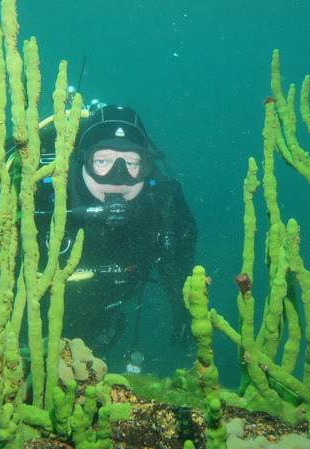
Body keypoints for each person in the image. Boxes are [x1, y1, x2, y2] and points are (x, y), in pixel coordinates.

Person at [35, 102, 197, 369]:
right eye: (102, 161)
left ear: (147, 167)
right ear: (81, 160)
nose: (118, 177)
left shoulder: (163, 203)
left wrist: (183, 308)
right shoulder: (39, 195)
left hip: (104, 308)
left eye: (133, 164)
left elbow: (180, 257)